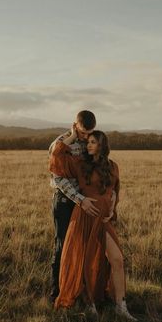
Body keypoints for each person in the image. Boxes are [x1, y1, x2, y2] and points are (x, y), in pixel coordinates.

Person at [49, 127, 137, 321]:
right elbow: (57, 155)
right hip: (85, 217)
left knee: (117, 260)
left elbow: (114, 190)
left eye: (92, 142)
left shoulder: (113, 166)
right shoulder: (81, 165)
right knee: (86, 261)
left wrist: (112, 208)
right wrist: (71, 135)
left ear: (102, 145)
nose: (87, 145)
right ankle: (90, 304)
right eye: (87, 142)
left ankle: (121, 307)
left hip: (103, 219)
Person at [49, 110, 100, 302]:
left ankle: (77, 288)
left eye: (90, 133)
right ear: (75, 125)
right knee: (62, 246)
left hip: (84, 203)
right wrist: (80, 199)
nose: (86, 137)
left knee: (82, 246)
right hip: (65, 201)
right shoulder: (60, 144)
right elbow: (59, 180)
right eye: (83, 132)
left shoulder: (89, 142)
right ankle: (56, 292)